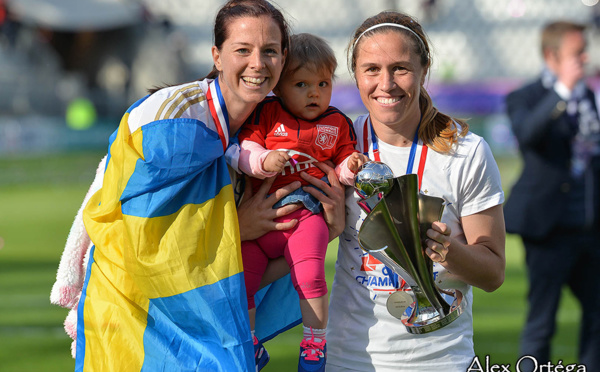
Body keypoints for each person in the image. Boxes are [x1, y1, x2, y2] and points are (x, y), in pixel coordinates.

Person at [56, 1, 348, 371]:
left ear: (283, 59)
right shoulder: (176, 125)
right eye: (242, 50)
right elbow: (142, 244)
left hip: (195, 322)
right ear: (217, 55)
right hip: (136, 322)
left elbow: (227, 268)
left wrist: (324, 231)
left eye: (270, 51)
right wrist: (235, 227)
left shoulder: (267, 131)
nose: (258, 63)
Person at [325, 11, 507, 372]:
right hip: (349, 358)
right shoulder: (339, 143)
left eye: (401, 68)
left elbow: (493, 273)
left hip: (442, 360)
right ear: (356, 75)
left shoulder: (466, 151)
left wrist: (445, 250)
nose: (386, 84)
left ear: (425, 70)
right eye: (372, 69)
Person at [236, 33, 368, 371]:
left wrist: (351, 167)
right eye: (302, 84)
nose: (314, 93)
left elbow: (342, 161)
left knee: (310, 276)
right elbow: (244, 150)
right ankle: (249, 342)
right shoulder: (265, 113)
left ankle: (314, 342)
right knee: (239, 283)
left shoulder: (336, 122)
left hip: (307, 216)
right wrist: (264, 160)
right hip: (257, 223)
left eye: (323, 83)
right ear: (278, 87)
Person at [504, 20, 600, 371]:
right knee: (542, 320)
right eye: (577, 53)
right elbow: (528, 135)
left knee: (597, 314)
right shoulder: (525, 96)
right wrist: (562, 90)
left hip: (589, 225)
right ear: (551, 55)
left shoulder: (588, 95)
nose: (585, 59)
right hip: (549, 228)